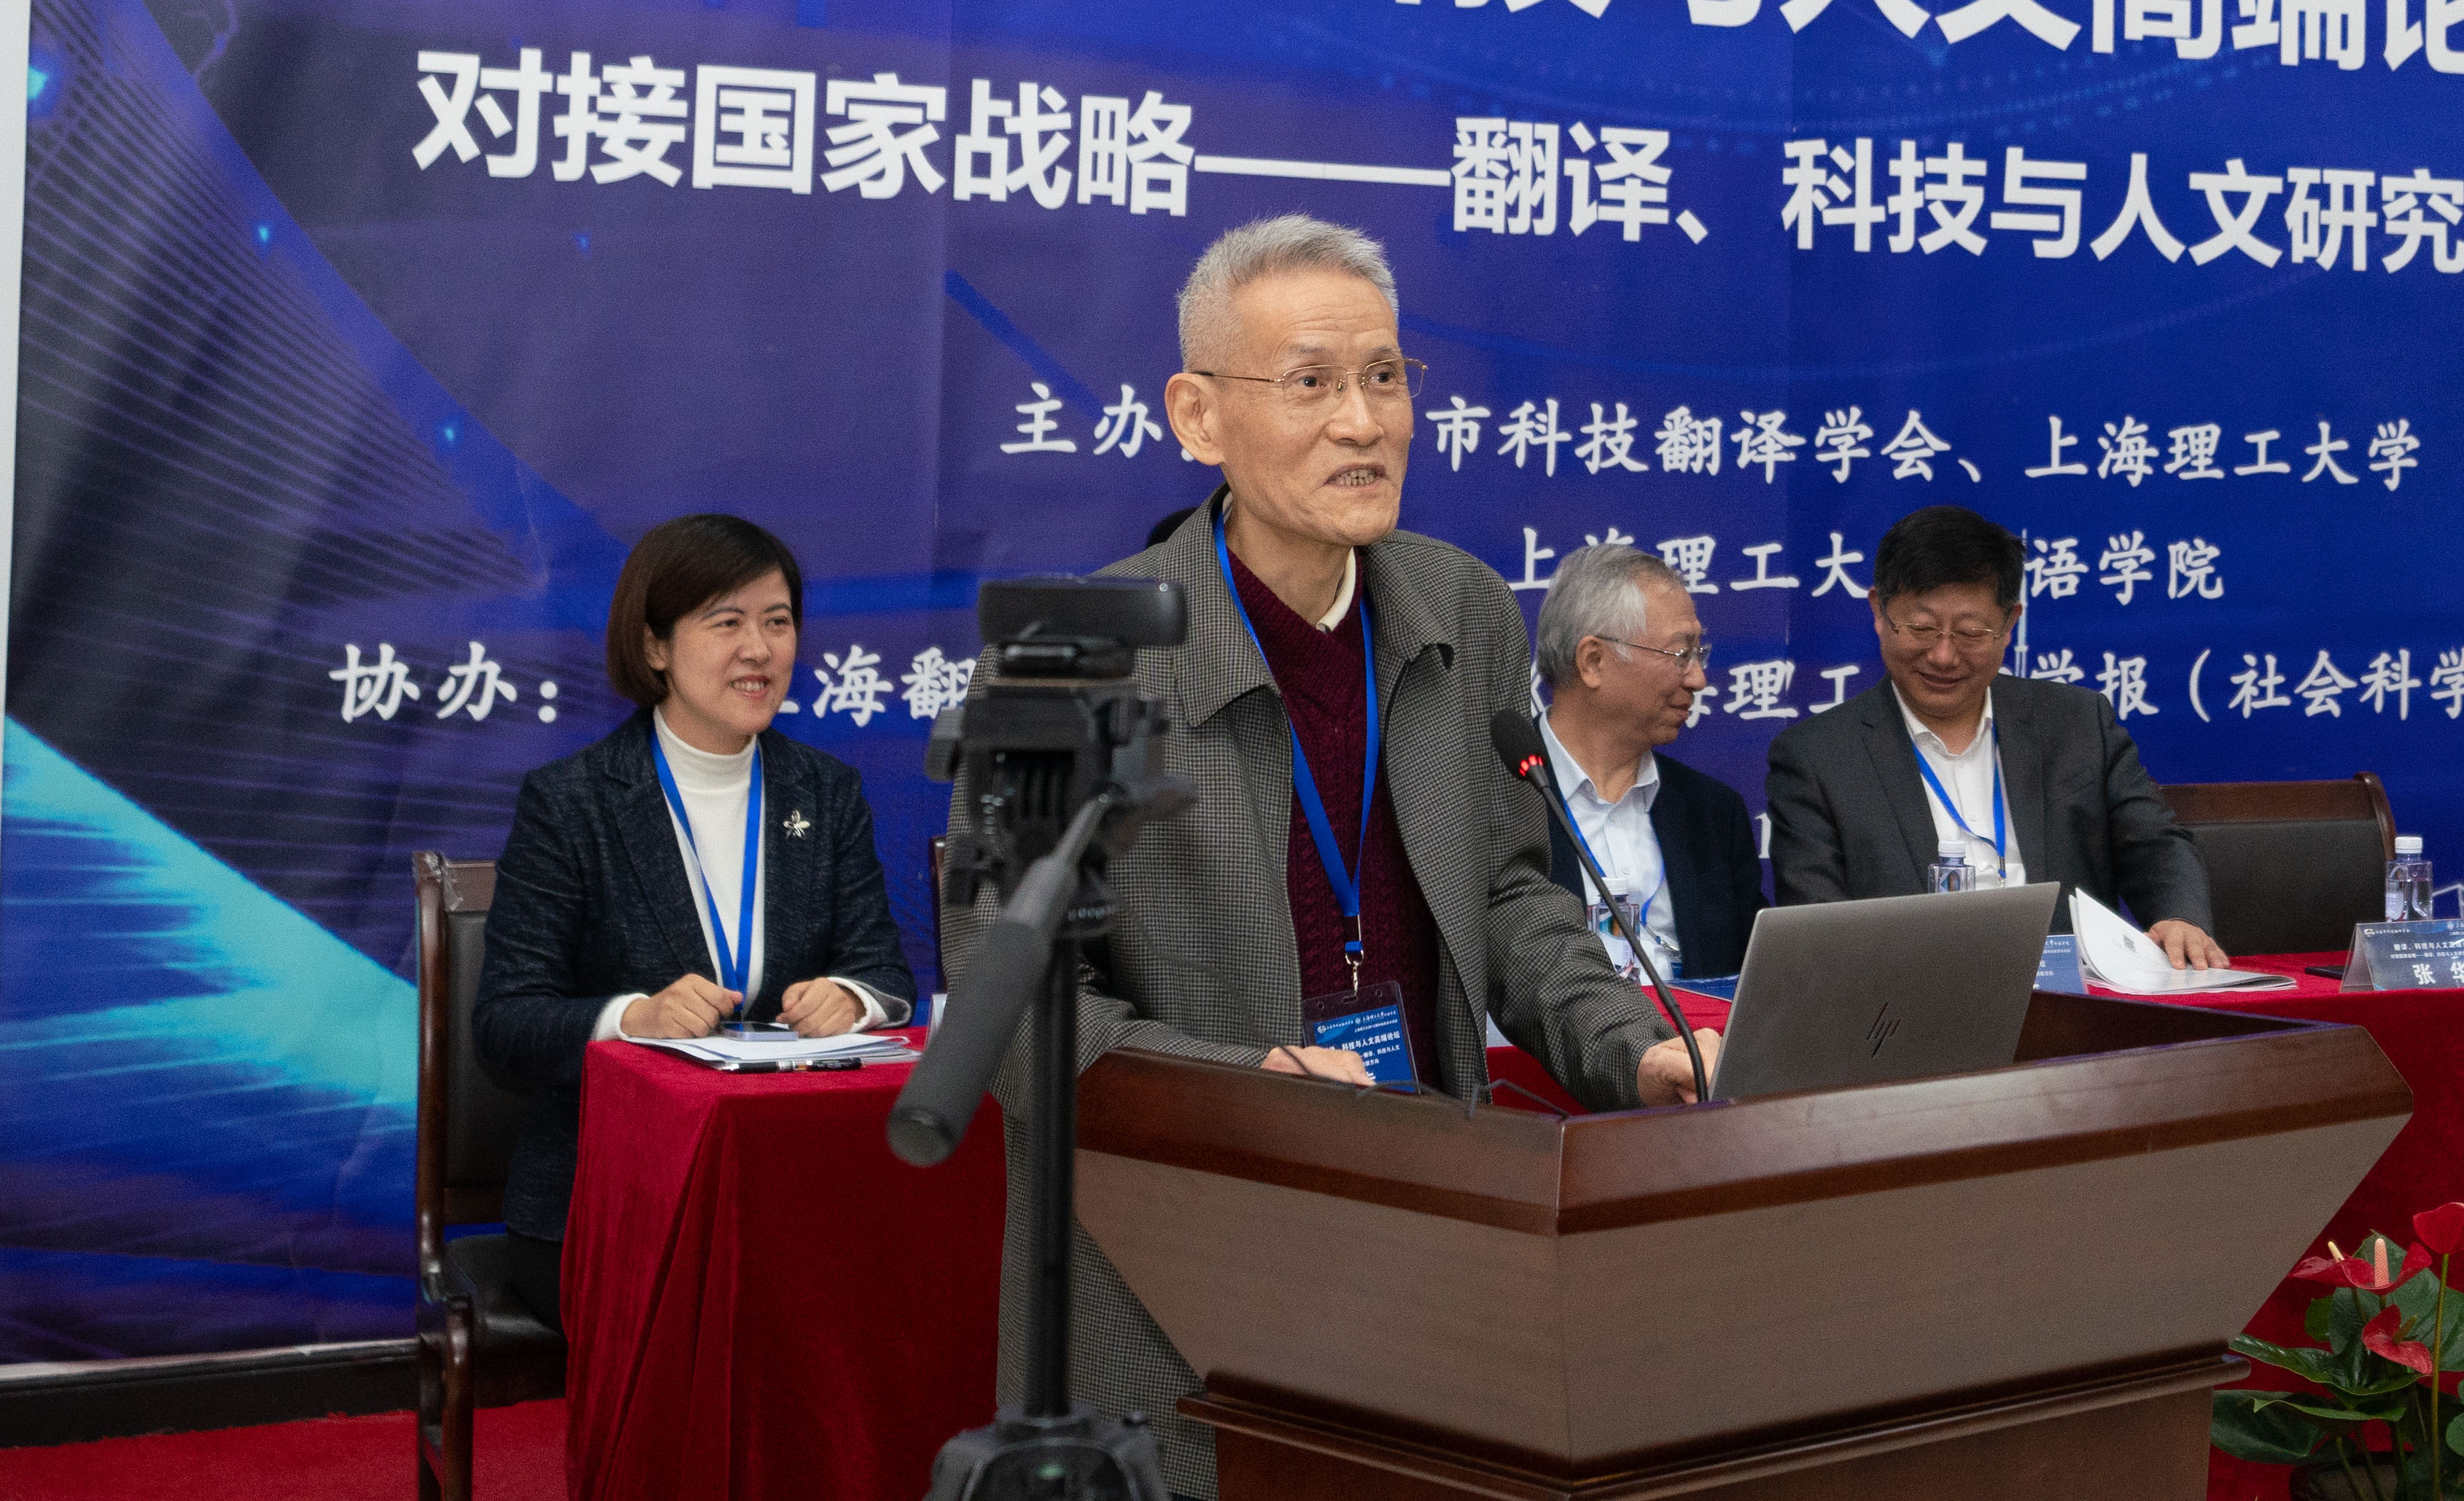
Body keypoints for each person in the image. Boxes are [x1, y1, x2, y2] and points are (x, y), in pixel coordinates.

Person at [950, 214, 1715, 1501]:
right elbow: (1013, 1004)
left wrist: (1628, 1041)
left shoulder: (1462, 608)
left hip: (1425, 1221)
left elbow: (1508, 889)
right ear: (1197, 415)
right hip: (1174, 1258)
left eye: (1385, 376)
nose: (1364, 421)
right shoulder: (1078, 663)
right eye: (1309, 382)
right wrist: (1247, 1085)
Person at [471, 513, 914, 1330]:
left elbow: (886, 973)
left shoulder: (825, 793)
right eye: (726, 622)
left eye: (777, 622)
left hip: (786, 1187)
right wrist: (633, 1019)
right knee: (742, 1319)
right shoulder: (572, 803)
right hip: (610, 1202)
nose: (759, 649)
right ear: (654, 647)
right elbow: (506, 1021)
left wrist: (852, 997)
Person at [1765, 504, 2224, 964]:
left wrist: (2179, 917)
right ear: (1879, 612)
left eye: (1970, 633)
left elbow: (2154, 844)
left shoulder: (2077, 723)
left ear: (2009, 625)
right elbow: (1817, 929)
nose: (1943, 656)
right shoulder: (1818, 758)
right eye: (1922, 628)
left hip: (2069, 997)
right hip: (1909, 995)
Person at [1534, 539, 1765, 982]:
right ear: (1593, 661)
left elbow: (1755, 983)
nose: (1698, 679)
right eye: (1681, 655)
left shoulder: (1713, 813)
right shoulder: (1494, 798)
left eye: (1699, 654)